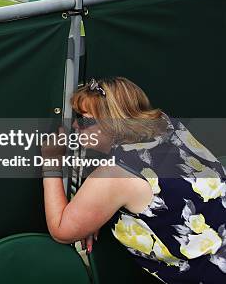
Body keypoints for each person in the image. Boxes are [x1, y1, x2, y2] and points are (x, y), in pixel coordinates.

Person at [41, 77, 226, 283]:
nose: (75, 125)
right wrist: (97, 209)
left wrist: (51, 161)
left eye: (86, 120)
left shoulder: (116, 173)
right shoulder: (166, 125)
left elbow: (62, 231)